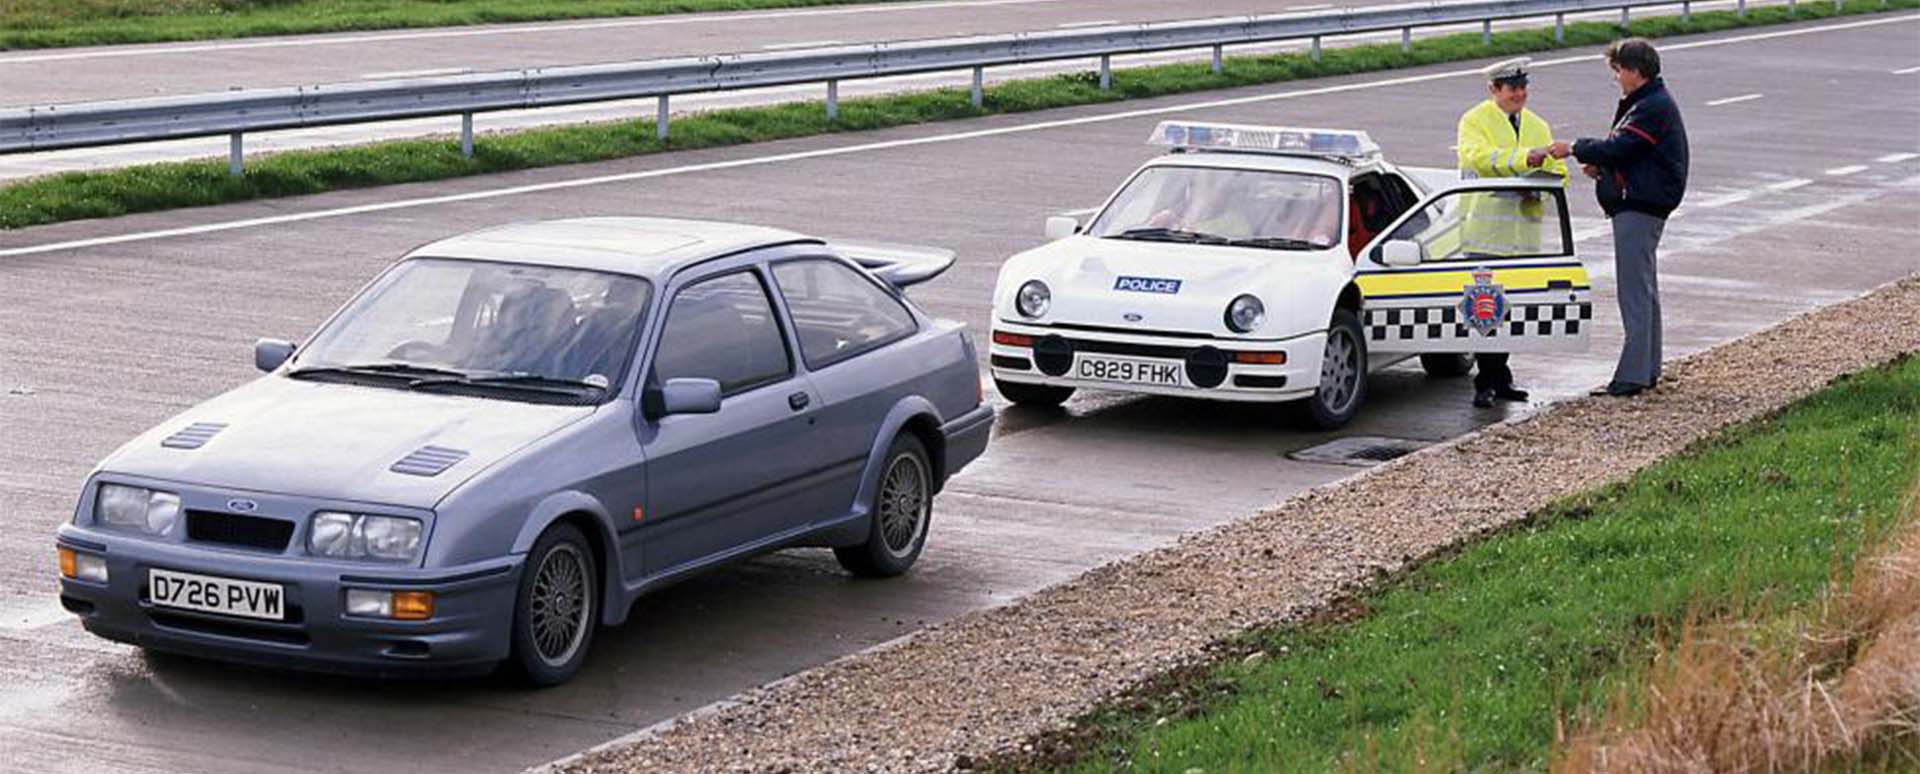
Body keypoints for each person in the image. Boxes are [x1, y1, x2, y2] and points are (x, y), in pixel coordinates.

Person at [1547, 38, 1689, 398]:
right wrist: (1604, 169)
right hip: (1643, 202)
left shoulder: (1651, 106)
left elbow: (1621, 147)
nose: (1615, 77)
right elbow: (1633, 153)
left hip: (1639, 206)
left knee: (1634, 291)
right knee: (1645, 288)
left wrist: (1573, 148)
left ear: (1635, 71)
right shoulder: (1648, 102)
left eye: (1618, 70)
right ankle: (1648, 367)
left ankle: (1632, 376)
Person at [1456, 56, 1566, 409]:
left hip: (1522, 238)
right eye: (1512, 88)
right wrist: (1524, 160)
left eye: (1523, 87)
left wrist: (1543, 183)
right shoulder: (1474, 120)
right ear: (1494, 90)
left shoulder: (1537, 124)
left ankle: (1500, 378)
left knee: (1510, 311)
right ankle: (1485, 382)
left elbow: (1558, 171)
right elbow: (1478, 157)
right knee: (1486, 312)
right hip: (1484, 234)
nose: (1519, 94)